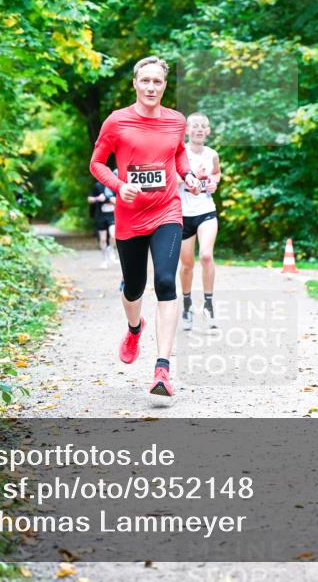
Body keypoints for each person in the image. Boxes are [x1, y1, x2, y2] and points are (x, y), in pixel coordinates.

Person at [89, 56, 202, 397]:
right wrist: (118, 185)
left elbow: (178, 154)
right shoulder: (117, 121)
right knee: (134, 287)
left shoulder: (176, 121)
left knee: (166, 281)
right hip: (130, 216)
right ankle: (134, 328)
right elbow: (97, 163)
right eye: (146, 81)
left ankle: (162, 370)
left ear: (164, 85)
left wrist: (188, 175)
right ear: (135, 84)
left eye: (157, 81)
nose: (151, 87)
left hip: (167, 211)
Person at [178, 112, 221, 332]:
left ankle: (209, 305)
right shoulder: (180, 153)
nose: (199, 129)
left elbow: (216, 174)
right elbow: (171, 178)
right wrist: (189, 175)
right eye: (194, 126)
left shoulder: (212, 154)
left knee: (206, 255)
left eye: (203, 126)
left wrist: (213, 183)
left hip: (206, 211)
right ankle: (187, 305)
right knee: (187, 265)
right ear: (187, 130)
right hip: (183, 214)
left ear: (208, 131)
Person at [87, 176, 118, 269]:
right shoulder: (98, 186)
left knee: (113, 235)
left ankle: (111, 249)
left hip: (112, 215)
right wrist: (97, 198)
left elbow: (119, 200)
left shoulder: (114, 186)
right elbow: (89, 199)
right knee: (103, 239)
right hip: (101, 216)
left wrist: (113, 200)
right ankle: (105, 260)